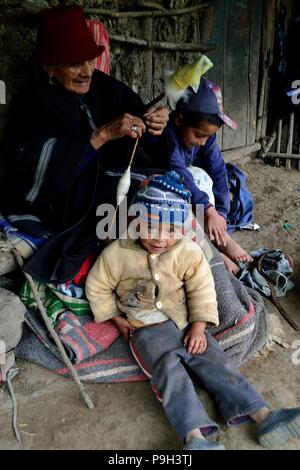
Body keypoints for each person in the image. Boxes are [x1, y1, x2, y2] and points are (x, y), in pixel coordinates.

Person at [86, 171, 300, 451]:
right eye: (151, 226)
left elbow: (202, 288)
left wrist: (199, 326)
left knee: (217, 361)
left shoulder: (188, 251)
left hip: (185, 322)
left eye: (172, 230)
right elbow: (97, 288)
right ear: (136, 221)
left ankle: (263, 415)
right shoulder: (117, 254)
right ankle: (195, 438)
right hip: (145, 328)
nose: (161, 238)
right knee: (170, 374)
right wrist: (117, 321)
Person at [0, 5, 169, 283]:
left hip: (114, 182)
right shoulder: (34, 103)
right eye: (75, 63)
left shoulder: (104, 87)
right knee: (116, 214)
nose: (87, 71)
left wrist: (155, 126)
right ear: (49, 68)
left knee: (162, 192)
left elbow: (142, 123)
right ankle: (123, 280)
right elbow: (32, 168)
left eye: (90, 61)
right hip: (67, 200)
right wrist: (101, 136)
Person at [146, 77, 253, 274]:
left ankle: (219, 237)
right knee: (190, 181)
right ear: (179, 120)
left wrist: (220, 212)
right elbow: (180, 173)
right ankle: (210, 248)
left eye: (208, 136)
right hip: (160, 191)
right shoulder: (167, 136)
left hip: (192, 194)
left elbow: (218, 168)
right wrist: (208, 210)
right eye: (198, 134)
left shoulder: (206, 138)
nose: (203, 142)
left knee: (204, 177)